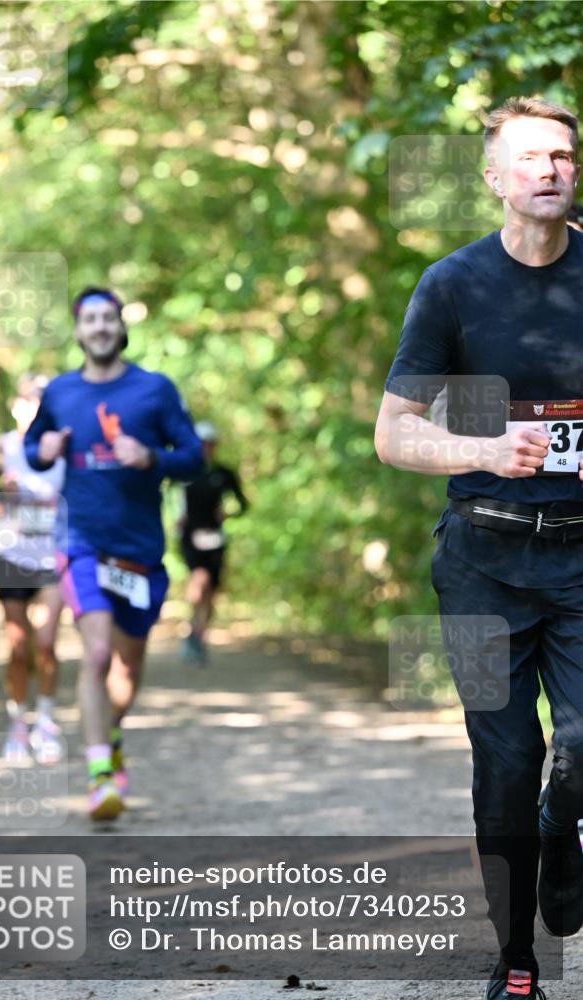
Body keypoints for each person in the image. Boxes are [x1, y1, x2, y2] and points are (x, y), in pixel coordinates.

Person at [375, 97, 582, 1000]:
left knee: (579, 751)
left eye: (563, 156)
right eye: (530, 158)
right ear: (493, 177)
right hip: (480, 562)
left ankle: (561, 836)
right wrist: (484, 450)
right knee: (504, 765)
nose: (549, 170)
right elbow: (394, 434)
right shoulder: (451, 285)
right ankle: (516, 958)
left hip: (581, 558)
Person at [24, 287, 203, 821]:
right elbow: (33, 447)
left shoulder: (154, 389)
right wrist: (43, 452)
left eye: (109, 318)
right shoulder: (60, 392)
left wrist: (152, 457)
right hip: (81, 543)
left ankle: (112, 732)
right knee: (97, 654)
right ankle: (100, 775)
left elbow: (193, 457)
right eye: (91, 319)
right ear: (78, 331)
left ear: (121, 327)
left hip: (139, 552)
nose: (100, 327)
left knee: (127, 667)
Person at [0, 374, 65, 764]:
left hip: (53, 558)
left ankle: (46, 722)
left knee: (47, 644)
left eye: (41, 400)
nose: (33, 406)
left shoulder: (63, 448)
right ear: (16, 405)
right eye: (27, 399)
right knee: (19, 647)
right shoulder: (1, 448)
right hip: (11, 558)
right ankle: (19, 725)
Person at [178, 421, 249, 663]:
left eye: (209, 443)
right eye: (201, 443)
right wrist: (178, 516)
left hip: (215, 537)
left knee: (212, 590)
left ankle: (199, 634)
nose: (205, 448)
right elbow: (169, 495)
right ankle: (191, 628)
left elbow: (243, 504)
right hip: (190, 536)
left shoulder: (223, 474)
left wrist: (228, 514)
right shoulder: (184, 472)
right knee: (199, 579)